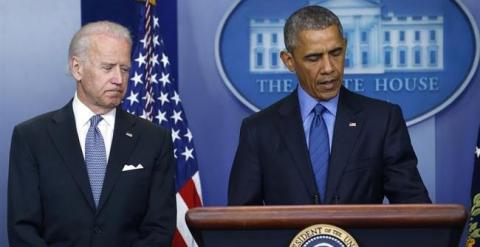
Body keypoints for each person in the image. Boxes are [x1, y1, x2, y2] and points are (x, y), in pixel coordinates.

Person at [228, 6, 431, 205]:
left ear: (345, 46)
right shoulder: (259, 131)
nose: (329, 68)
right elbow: (241, 224)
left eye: (336, 53)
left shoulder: (382, 120)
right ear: (289, 61)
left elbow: (416, 210)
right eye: (314, 58)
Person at [7, 21, 176, 246]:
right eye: (107, 67)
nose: (118, 79)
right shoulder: (31, 138)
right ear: (77, 68)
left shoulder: (154, 139)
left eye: (124, 69)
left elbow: (159, 228)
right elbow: (22, 229)